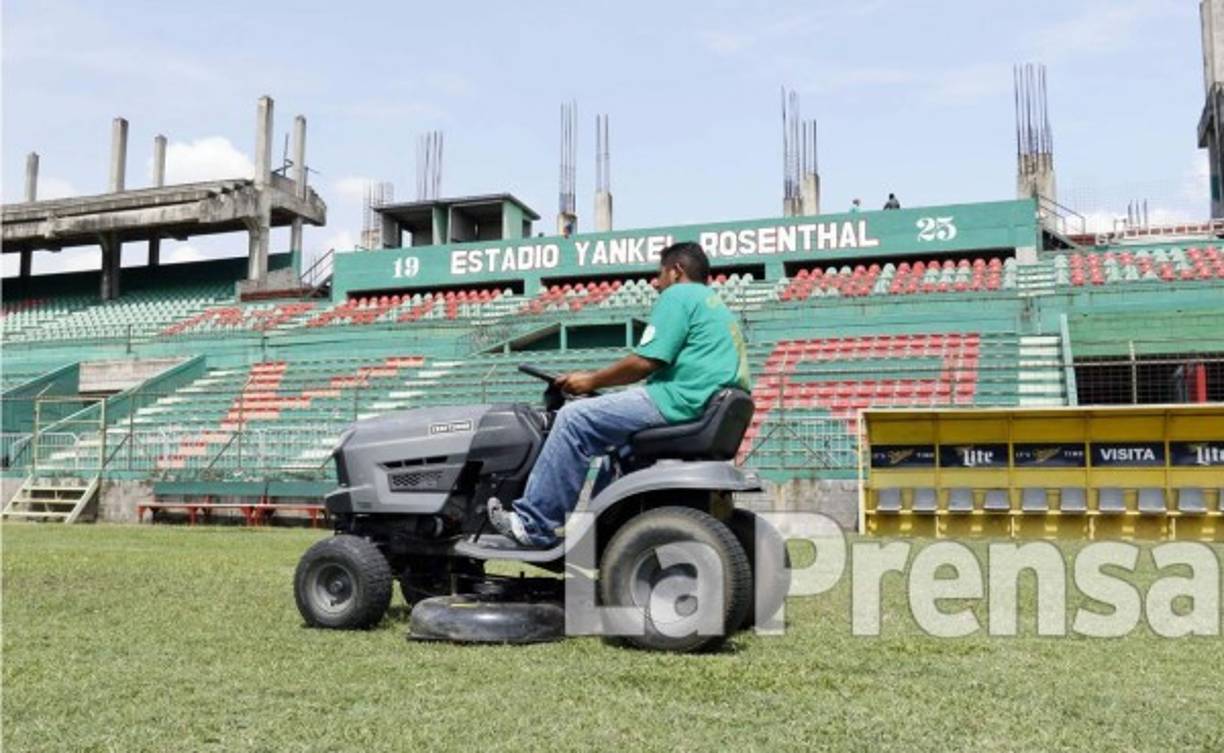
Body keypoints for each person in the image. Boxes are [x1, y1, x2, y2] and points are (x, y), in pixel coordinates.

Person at [488, 242, 751, 547]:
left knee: (573, 418)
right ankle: (606, 533)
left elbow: (645, 361)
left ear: (677, 271)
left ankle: (532, 525)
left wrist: (589, 381)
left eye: (660, 274)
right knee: (619, 448)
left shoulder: (679, 295)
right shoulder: (715, 304)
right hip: (704, 402)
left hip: (682, 399)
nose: (656, 283)